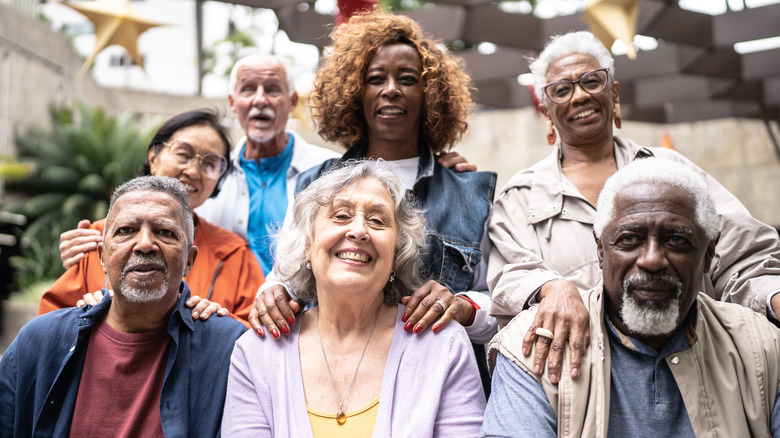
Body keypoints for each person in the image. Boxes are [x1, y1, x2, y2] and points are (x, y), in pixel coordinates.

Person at [488, 30, 780, 385]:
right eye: (562, 90)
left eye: (591, 82)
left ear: (613, 92)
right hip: (587, 384)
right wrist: (553, 287)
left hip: (697, 368)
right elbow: (509, 278)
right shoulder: (520, 197)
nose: (579, 95)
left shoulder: (671, 171)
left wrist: (772, 296)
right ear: (545, 109)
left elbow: (742, 255)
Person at [249, 11, 497, 394]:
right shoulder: (314, 183)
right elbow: (283, 282)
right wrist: (272, 298)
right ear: (354, 92)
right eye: (376, 78)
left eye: (408, 79)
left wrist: (464, 306)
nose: (391, 89)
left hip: (437, 390)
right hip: (330, 383)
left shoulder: (469, 192)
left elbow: (499, 306)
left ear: (430, 95)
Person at [482, 158, 780, 437]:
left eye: (676, 239)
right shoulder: (534, 349)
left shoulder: (763, 349)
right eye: (629, 239)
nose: (652, 260)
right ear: (600, 250)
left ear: (709, 254)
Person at [222, 162, 485, 437]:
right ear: (308, 243)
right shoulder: (257, 352)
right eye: (341, 215)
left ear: (397, 254)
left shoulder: (444, 346)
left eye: (377, 221)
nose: (359, 231)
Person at [0, 176, 247, 437]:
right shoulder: (40, 342)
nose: (144, 244)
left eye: (165, 232)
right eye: (126, 230)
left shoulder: (228, 350)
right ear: (102, 257)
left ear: (189, 260)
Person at [39, 110, 264, 324]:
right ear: (153, 157)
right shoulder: (98, 238)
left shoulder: (234, 254)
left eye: (210, 164)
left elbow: (254, 333)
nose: (194, 171)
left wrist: (218, 322)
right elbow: (51, 326)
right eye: (183, 155)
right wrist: (87, 316)